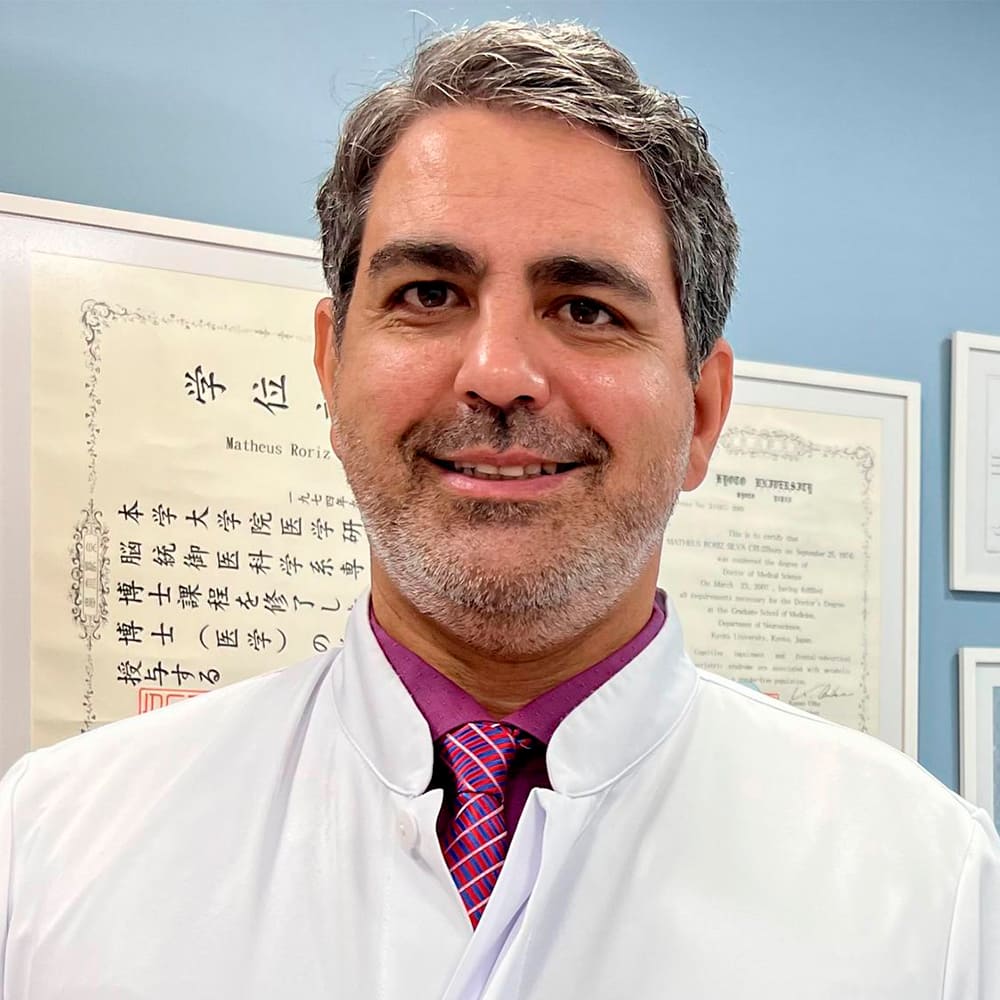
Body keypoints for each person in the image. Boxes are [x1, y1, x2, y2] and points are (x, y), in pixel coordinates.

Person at [1, 18, 997, 999]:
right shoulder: (53, 840)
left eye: (586, 309)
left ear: (700, 413)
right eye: (429, 294)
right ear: (330, 368)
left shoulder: (927, 885)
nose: (497, 373)